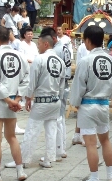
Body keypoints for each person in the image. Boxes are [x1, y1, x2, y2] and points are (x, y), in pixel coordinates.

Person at [5, 34, 66, 168]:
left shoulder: (40, 59)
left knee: (32, 130)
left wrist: (28, 97)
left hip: (42, 99)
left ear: (45, 44)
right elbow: (62, 83)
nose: (37, 46)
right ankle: (49, 159)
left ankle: (24, 160)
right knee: (51, 129)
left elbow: (32, 81)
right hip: (55, 99)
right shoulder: (60, 62)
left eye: (38, 44)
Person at [69, 25, 112, 181]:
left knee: (91, 143)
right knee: (105, 141)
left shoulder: (85, 60)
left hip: (88, 105)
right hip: (104, 104)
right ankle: (110, 174)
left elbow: (79, 85)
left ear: (88, 41)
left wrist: (74, 103)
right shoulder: (110, 59)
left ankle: (94, 178)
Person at [0, 26, 29, 181]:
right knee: (12, 137)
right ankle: (20, 170)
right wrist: (16, 99)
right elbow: (26, 78)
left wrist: (8, 100)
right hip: (13, 101)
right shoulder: (20, 55)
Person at [40, 27, 72, 160]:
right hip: (64, 84)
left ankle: (57, 150)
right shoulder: (64, 47)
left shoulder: (56, 50)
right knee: (61, 119)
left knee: (56, 120)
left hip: (58, 86)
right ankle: (61, 148)